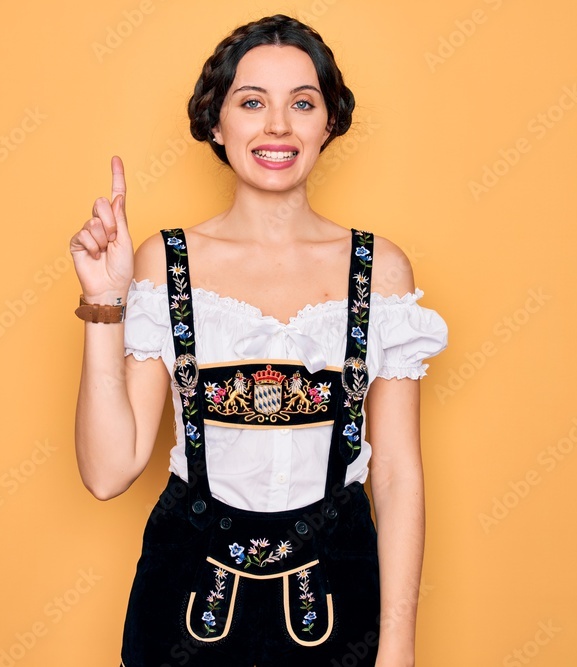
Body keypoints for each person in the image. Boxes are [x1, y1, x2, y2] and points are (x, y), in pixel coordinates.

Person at [69, 14, 447, 666]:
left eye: (302, 102)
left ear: (328, 123)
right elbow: (109, 470)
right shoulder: (167, 261)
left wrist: (398, 645)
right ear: (217, 123)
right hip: (184, 604)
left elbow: (397, 477)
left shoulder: (378, 269)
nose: (278, 125)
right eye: (252, 102)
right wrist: (106, 301)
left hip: (338, 604)